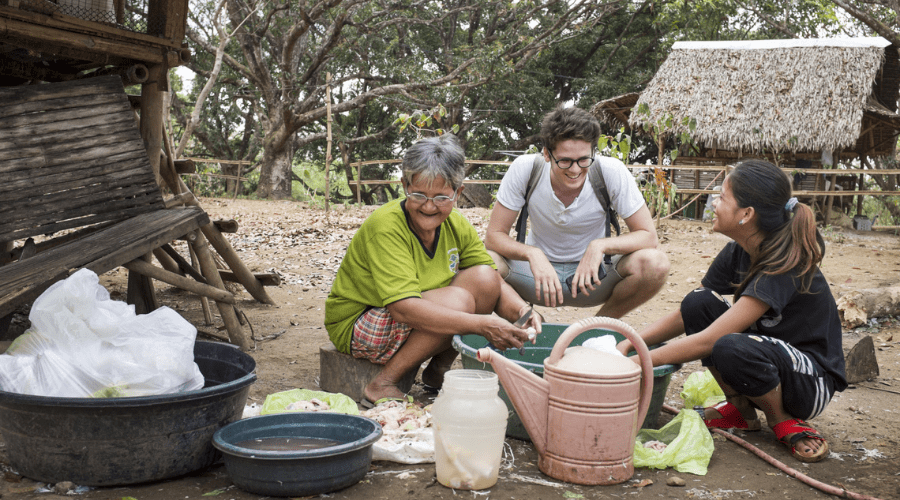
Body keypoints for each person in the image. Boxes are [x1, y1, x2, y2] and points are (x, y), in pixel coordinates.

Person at [616, 159, 847, 463]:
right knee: (698, 302)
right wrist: (627, 342)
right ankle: (740, 411)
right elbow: (689, 315)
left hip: (809, 382)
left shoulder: (785, 262)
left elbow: (708, 340)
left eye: (722, 197)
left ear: (746, 215)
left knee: (729, 345)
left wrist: (636, 363)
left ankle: (782, 420)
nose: (713, 202)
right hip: (768, 356)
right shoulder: (741, 249)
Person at [325, 134, 542, 407]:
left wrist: (523, 312)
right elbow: (403, 309)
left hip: (410, 312)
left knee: (485, 278)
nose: (429, 207)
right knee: (460, 301)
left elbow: (494, 284)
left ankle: (438, 370)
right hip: (360, 322)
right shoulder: (387, 227)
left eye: (441, 197)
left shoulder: (456, 224)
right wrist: (483, 325)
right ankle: (382, 383)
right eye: (418, 195)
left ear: (458, 193)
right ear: (404, 186)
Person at [484, 106, 669, 316]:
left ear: (593, 152)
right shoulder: (526, 169)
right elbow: (493, 236)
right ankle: (528, 323)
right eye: (564, 161)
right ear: (546, 153)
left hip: (593, 279)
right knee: (483, 264)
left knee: (656, 264)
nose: (575, 170)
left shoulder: (610, 171)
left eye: (583, 160)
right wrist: (532, 253)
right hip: (536, 278)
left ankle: (596, 329)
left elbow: (648, 236)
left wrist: (599, 246)